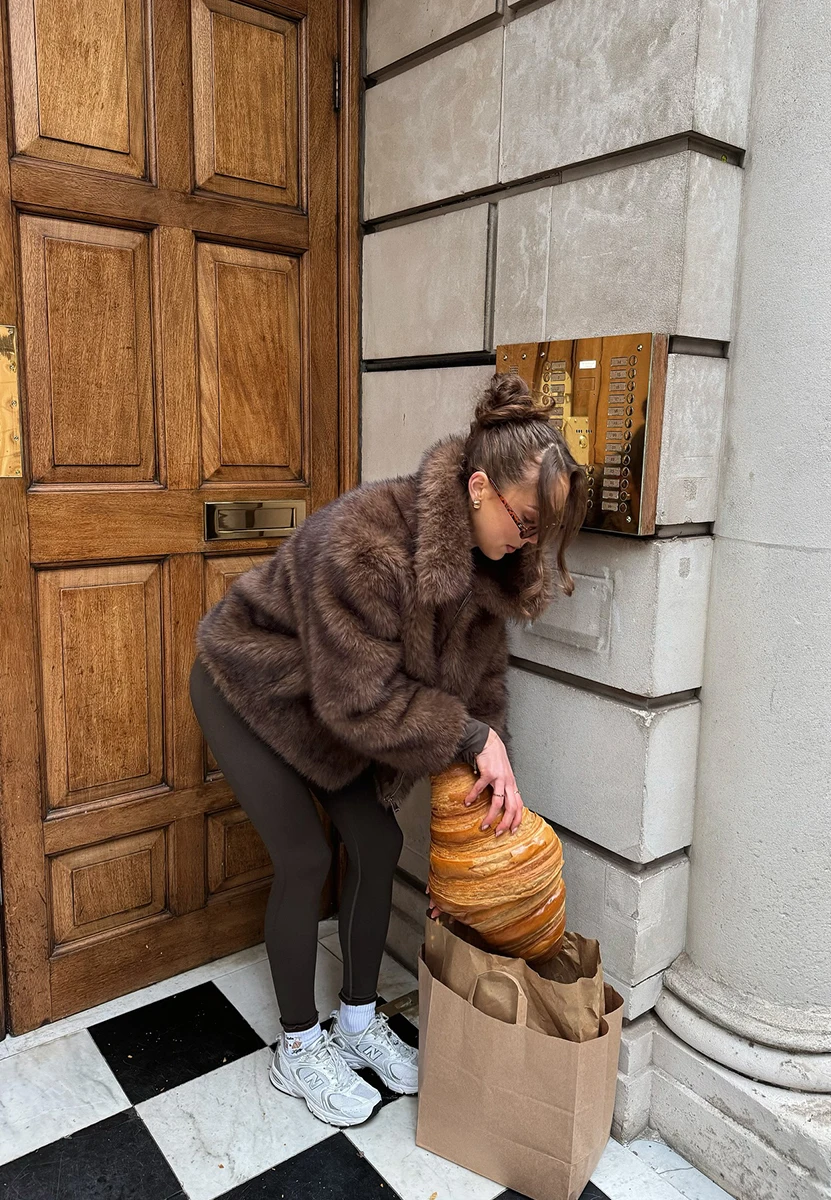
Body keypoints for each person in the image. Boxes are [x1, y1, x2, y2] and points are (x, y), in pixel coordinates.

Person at [190, 373, 587, 1127]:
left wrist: (485, 789)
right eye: (529, 522)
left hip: (336, 708)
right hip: (252, 687)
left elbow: (482, 695)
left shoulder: (488, 576)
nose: (531, 544)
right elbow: (362, 701)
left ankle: (359, 1020)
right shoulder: (363, 540)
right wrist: (472, 739)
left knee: (374, 841)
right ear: (478, 488)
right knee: (307, 857)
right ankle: (299, 1046)